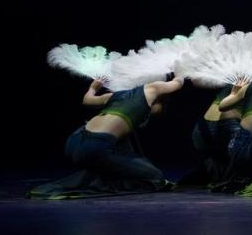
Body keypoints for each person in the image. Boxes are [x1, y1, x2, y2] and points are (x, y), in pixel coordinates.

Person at [29, 75, 186, 199]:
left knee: (122, 155)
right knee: (155, 177)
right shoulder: (153, 88)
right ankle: (92, 181)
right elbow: (178, 83)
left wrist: (93, 87)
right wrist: (183, 67)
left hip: (74, 141)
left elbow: (87, 100)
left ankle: (100, 171)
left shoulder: (117, 95)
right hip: (94, 148)